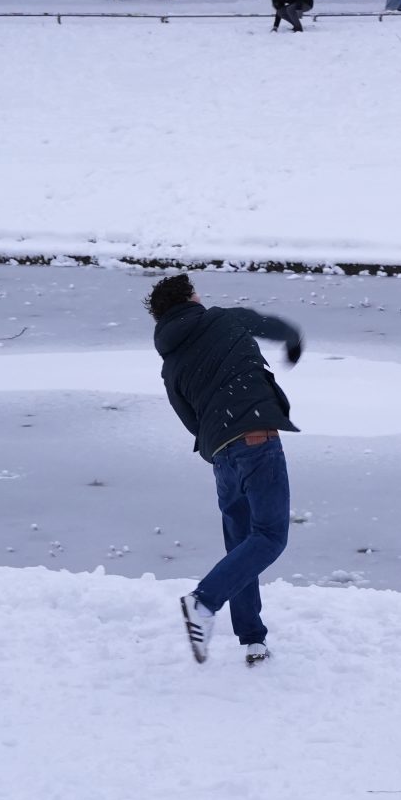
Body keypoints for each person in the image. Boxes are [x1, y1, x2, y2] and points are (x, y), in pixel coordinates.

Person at [149, 273, 305, 666]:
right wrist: (293, 341)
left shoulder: (171, 363)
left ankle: (253, 640)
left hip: (222, 454)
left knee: (242, 547)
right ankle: (203, 602)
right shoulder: (222, 320)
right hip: (256, 439)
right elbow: (272, 325)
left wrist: (220, 441)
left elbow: (188, 418)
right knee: (269, 537)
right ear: (190, 298)